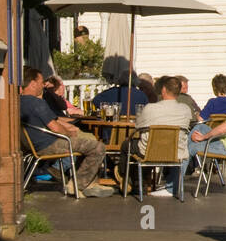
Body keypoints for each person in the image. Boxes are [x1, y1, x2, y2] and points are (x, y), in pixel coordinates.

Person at [19, 67, 112, 197]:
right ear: (33, 83)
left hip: (33, 145)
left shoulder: (18, 101)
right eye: (40, 82)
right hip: (49, 145)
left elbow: (54, 122)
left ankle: (90, 183)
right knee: (98, 147)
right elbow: (55, 127)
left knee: (87, 142)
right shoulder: (36, 103)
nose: (43, 85)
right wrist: (70, 134)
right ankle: (77, 185)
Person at [133, 75, 193, 198]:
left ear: (163, 90)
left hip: (150, 152)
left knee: (127, 146)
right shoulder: (186, 109)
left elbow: (138, 126)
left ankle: (133, 183)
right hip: (176, 152)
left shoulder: (150, 108)